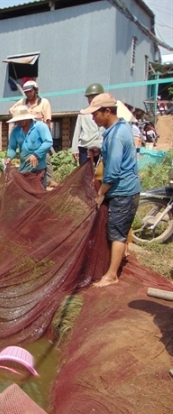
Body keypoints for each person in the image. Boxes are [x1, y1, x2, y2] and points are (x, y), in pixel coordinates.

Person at [80, 93, 141, 288]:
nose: (93, 118)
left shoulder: (115, 135)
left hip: (123, 191)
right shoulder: (120, 128)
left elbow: (113, 172)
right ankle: (114, 262)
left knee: (117, 232)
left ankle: (112, 275)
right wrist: (99, 151)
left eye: (95, 114)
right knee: (114, 228)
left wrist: (101, 193)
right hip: (122, 190)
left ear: (107, 111)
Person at [9, 80, 57, 188]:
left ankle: (49, 180)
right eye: (26, 92)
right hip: (26, 134)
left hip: (39, 134)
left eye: (30, 92)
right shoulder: (22, 102)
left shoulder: (44, 102)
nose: (28, 94)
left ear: (35, 91)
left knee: (44, 159)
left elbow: (47, 120)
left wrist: (43, 133)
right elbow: (11, 110)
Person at [4, 105, 53, 186]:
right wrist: (9, 157)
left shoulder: (40, 126)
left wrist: (36, 155)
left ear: (26, 118)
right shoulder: (16, 130)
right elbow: (12, 147)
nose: (18, 122)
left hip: (38, 168)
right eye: (17, 120)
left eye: (20, 120)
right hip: (24, 169)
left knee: (39, 194)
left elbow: (48, 142)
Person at [71, 83, 104, 166]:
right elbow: (77, 131)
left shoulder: (105, 113)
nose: (91, 99)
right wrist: (75, 149)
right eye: (89, 97)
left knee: (100, 173)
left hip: (100, 147)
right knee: (85, 174)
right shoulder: (83, 113)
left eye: (93, 97)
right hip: (85, 148)